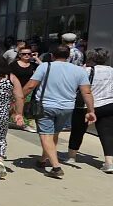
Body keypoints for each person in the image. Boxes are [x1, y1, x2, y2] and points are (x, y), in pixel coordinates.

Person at [22, 45, 96, 178]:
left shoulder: (45, 66)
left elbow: (31, 85)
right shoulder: (79, 70)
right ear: (68, 56)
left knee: (46, 135)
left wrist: (18, 99)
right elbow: (86, 91)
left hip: (46, 106)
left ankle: (56, 167)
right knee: (54, 134)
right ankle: (43, 159)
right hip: (67, 108)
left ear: (52, 55)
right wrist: (91, 110)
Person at [67, 48, 112, 170]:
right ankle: (109, 162)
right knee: (107, 133)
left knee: (78, 130)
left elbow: (75, 85)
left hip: (86, 106)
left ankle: (72, 156)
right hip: (108, 104)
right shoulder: (112, 71)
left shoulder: (86, 70)